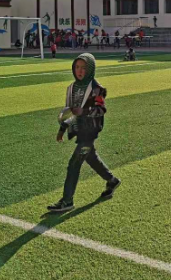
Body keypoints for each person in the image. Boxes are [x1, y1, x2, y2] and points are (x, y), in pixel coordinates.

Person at [48, 53, 120, 212]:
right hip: (79, 131)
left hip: (90, 132)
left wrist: (85, 111)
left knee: (74, 164)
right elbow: (70, 112)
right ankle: (112, 180)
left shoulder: (96, 89)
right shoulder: (72, 88)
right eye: (77, 67)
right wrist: (62, 128)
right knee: (91, 158)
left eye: (84, 68)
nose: (80, 71)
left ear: (91, 69)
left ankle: (67, 201)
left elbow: (101, 109)